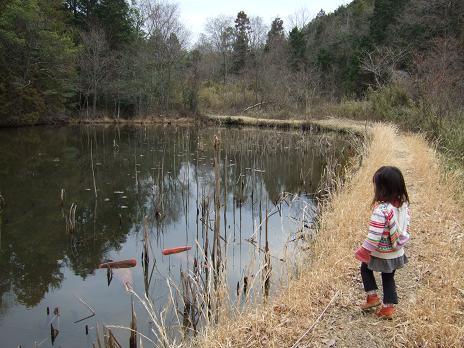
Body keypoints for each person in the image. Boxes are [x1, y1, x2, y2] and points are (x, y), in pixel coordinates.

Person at [355, 166, 410, 319]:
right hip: (396, 252)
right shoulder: (403, 205)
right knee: (388, 277)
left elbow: (374, 236)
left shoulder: (381, 210)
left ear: (383, 188)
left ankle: (372, 297)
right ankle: (388, 308)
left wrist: (364, 250)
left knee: (365, 268)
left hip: (382, 252)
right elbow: (406, 225)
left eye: (376, 186)